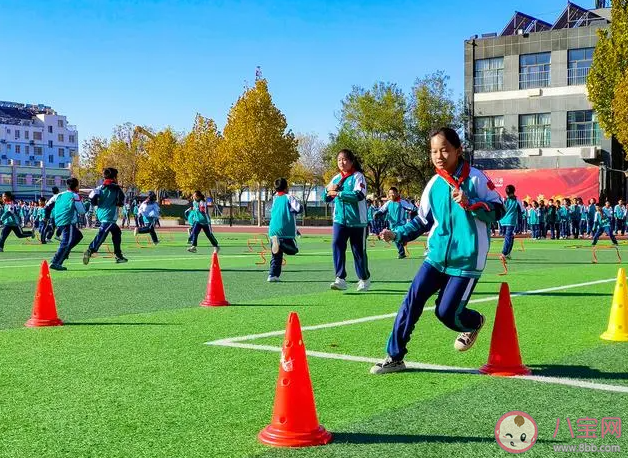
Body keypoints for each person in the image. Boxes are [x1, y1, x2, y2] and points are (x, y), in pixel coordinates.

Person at [370, 127, 504, 374]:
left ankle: (474, 322)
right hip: (435, 257)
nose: (439, 156)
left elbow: (498, 210)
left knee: (446, 313)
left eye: (444, 150)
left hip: (466, 260)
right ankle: (395, 356)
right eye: (433, 151)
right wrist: (397, 234)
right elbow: (422, 221)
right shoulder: (434, 184)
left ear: (458, 150)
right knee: (412, 301)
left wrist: (471, 203)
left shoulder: (477, 179)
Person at [325, 149, 370, 292]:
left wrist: (339, 193)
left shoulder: (358, 177)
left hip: (358, 221)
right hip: (340, 219)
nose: (341, 162)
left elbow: (359, 195)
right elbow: (325, 196)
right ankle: (340, 278)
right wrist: (328, 191)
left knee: (358, 251)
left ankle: (364, 278)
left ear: (351, 161)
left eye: (344, 159)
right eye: (339, 160)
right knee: (337, 244)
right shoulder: (336, 178)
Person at [83, 168, 128, 264]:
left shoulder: (100, 188)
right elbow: (121, 202)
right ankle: (90, 250)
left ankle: (118, 255)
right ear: (115, 177)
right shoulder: (116, 188)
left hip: (101, 213)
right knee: (102, 234)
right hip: (109, 215)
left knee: (117, 232)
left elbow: (91, 198)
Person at [267, 178, 302, 282]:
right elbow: (298, 208)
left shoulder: (274, 199)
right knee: (293, 250)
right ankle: (281, 244)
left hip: (273, 230)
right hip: (285, 230)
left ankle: (273, 275)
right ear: (287, 187)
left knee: (276, 256)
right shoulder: (289, 197)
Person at [50, 178, 86, 271]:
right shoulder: (74, 196)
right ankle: (55, 262)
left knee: (78, 236)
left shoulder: (59, 195)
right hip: (68, 221)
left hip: (59, 220)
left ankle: (65, 252)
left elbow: (48, 205)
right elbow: (82, 211)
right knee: (66, 242)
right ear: (76, 186)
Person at [374, 187, 417, 259]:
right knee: (396, 239)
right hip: (392, 224)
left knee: (397, 237)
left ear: (397, 194)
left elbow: (413, 209)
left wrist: (414, 214)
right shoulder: (388, 203)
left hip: (401, 224)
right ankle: (402, 248)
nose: (391, 195)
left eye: (393, 193)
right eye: (390, 193)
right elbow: (381, 210)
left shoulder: (402, 202)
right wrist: (377, 214)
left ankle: (401, 252)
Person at [499, 185, 521, 260]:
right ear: (514, 191)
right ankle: (504, 253)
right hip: (510, 220)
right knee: (508, 237)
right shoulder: (517, 200)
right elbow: (522, 210)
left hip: (502, 220)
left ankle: (508, 253)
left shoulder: (503, 199)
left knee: (510, 236)